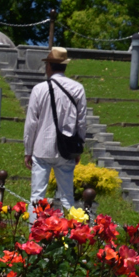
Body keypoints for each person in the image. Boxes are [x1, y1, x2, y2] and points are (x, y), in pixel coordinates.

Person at [23, 47, 87, 221]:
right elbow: (81, 122)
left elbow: (31, 123)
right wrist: (79, 147)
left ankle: (34, 231)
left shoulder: (39, 89)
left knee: (37, 195)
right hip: (66, 148)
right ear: (64, 66)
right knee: (67, 196)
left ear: (49, 66)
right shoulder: (78, 88)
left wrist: (28, 150)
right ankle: (69, 232)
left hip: (42, 147)